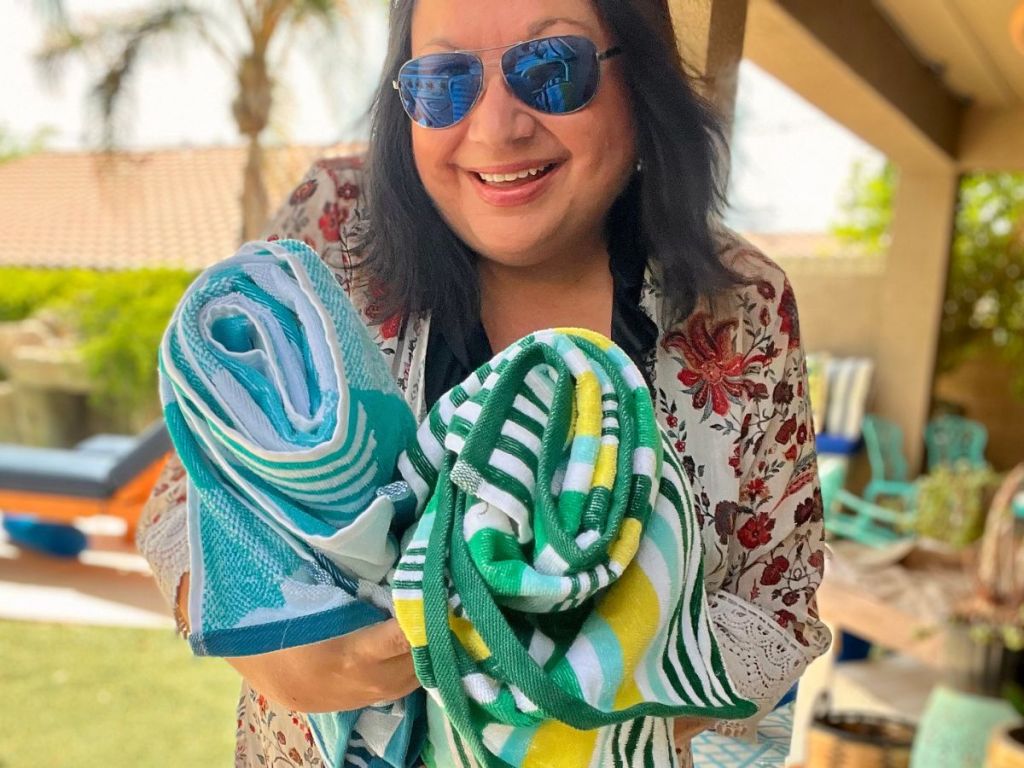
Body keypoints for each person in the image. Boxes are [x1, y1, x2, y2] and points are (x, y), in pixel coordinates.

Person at [136, 0, 831, 765]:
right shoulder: (329, 233)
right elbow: (188, 493)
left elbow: (781, 610)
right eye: (443, 81)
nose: (497, 128)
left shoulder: (743, 307)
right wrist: (277, 645)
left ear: (642, 73)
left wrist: (603, 690)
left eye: (552, 69)